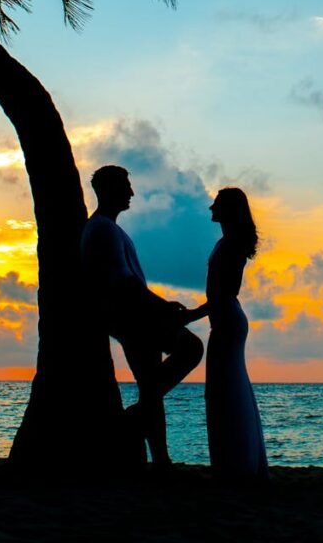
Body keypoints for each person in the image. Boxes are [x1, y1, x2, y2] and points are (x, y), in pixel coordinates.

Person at [81, 164, 203, 468]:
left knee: (151, 384)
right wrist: (162, 307)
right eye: (126, 185)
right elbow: (124, 282)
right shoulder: (103, 229)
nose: (132, 192)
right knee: (190, 349)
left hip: (133, 318)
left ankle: (159, 457)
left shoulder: (107, 228)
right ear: (109, 190)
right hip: (135, 320)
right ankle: (128, 426)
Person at [184, 187, 268, 480]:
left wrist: (192, 315)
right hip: (225, 319)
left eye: (217, 203)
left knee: (224, 390)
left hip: (227, 320)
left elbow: (225, 292)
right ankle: (237, 462)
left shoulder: (231, 243)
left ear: (229, 209)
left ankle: (235, 465)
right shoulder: (228, 242)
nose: (211, 207)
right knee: (227, 389)